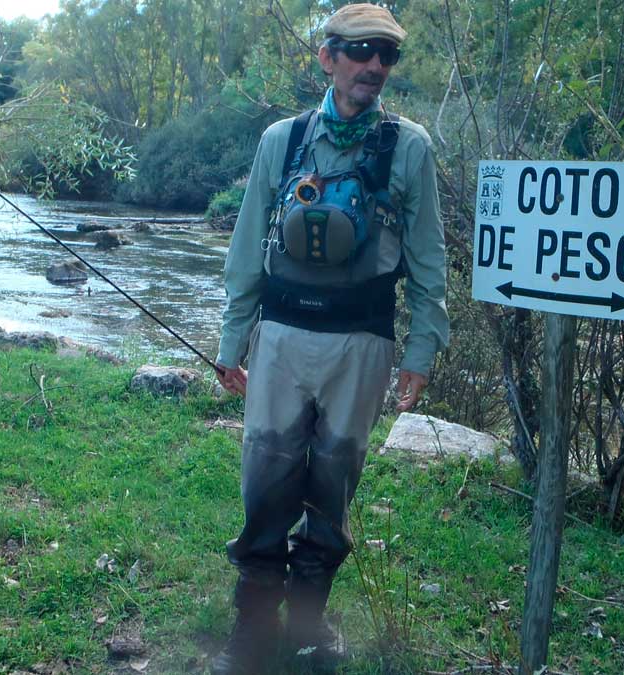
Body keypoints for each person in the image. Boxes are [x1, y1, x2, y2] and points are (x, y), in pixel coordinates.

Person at [212, 4, 449, 673]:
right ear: (328, 58)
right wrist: (233, 339)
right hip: (281, 337)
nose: (374, 66)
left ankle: (310, 626)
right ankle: (254, 629)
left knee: (333, 485)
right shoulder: (279, 142)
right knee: (266, 479)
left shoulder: (410, 147)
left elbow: (429, 261)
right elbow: (244, 248)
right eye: (361, 51)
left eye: (387, 55)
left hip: (363, 343)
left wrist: (422, 349)